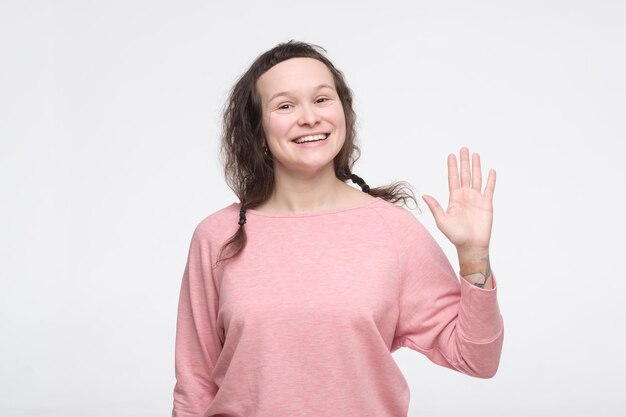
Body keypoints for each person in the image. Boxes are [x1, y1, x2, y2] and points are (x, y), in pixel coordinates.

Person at [171, 40, 504, 417]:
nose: (309, 117)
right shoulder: (216, 236)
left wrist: (474, 259)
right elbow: (195, 385)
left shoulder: (392, 230)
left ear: (343, 113)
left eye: (322, 99)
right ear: (257, 129)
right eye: (285, 105)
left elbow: (478, 358)